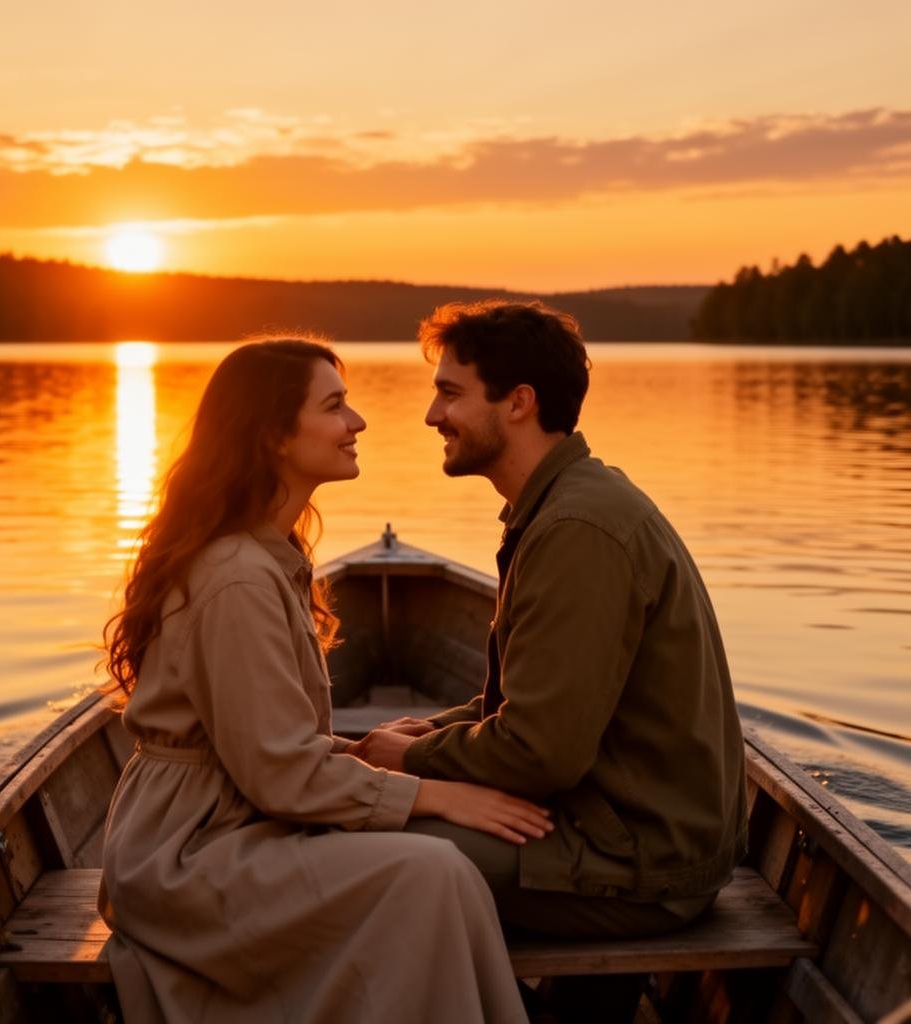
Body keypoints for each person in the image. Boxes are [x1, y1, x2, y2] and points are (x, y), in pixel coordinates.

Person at [99, 339, 548, 1024]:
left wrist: (360, 754)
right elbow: (278, 770)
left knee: (436, 866)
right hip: (189, 856)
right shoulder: (237, 578)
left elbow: (267, 747)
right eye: (335, 407)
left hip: (238, 825)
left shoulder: (266, 557)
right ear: (274, 435)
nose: (357, 422)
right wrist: (439, 794)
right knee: (431, 872)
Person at [354, 301, 748, 944]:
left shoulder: (576, 530)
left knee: (350, 846)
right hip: (615, 826)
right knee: (367, 817)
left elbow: (540, 754)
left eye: (450, 394)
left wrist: (416, 757)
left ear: (519, 402)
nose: (431, 415)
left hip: (636, 860)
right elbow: (542, 706)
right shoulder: (570, 502)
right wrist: (436, 730)